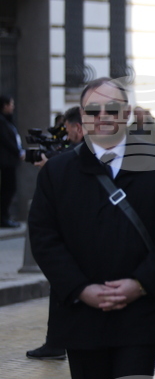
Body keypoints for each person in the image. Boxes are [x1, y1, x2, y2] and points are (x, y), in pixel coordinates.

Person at [28, 77, 155, 379]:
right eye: (93, 111)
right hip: (83, 317)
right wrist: (81, 289)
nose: (103, 118)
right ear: (82, 118)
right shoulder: (58, 172)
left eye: (112, 110)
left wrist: (140, 283)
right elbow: (44, 238)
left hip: (139, 315)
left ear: (127, 115)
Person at [26, 106, 85, 361]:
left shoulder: (74, 157)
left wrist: (49, 168)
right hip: (80, 234)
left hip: (74, 235)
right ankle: (58, 342)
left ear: (76, 128)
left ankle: (57, 343)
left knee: (64, 288)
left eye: (69, 128)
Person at [0, 93, 24, 227]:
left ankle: (5, 216)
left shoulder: (8, 120)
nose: (13, 107)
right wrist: (18, 152)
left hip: (10, 161)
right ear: (4, 106)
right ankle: (3, 217)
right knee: (8, 189)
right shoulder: (2, 122)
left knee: (9, 188)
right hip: (6, 162)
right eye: (11, 104)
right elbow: (6, 141)